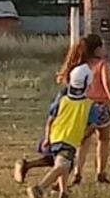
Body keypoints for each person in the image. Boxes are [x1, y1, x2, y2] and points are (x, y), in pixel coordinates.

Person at [14, 36, 104, 184]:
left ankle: (59, 187)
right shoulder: (85, 71)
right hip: (66, 127)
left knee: (56, 158)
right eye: (101, 47)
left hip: (61, 127)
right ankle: (46, 186)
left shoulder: (77, 72)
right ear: (95, 50)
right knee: (63, 160)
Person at [26, 63, 97, 198]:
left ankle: (63, 193)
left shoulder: (62, 100)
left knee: (65, 164)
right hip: (69, 140)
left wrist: (47, 138)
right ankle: (39, 189)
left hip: (55, 136)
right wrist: (83, 136)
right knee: (62, 166)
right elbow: (93, 125)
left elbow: (50, 120)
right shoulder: (90, 105)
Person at [73, 34, 110, 185]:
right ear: (97, 49)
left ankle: (78, 172)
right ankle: (101, 172)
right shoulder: (103, 64)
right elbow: (107, 84)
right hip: (101, 105)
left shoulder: (82, 65)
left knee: (83, 141)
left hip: (84, 105)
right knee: (103, 139)